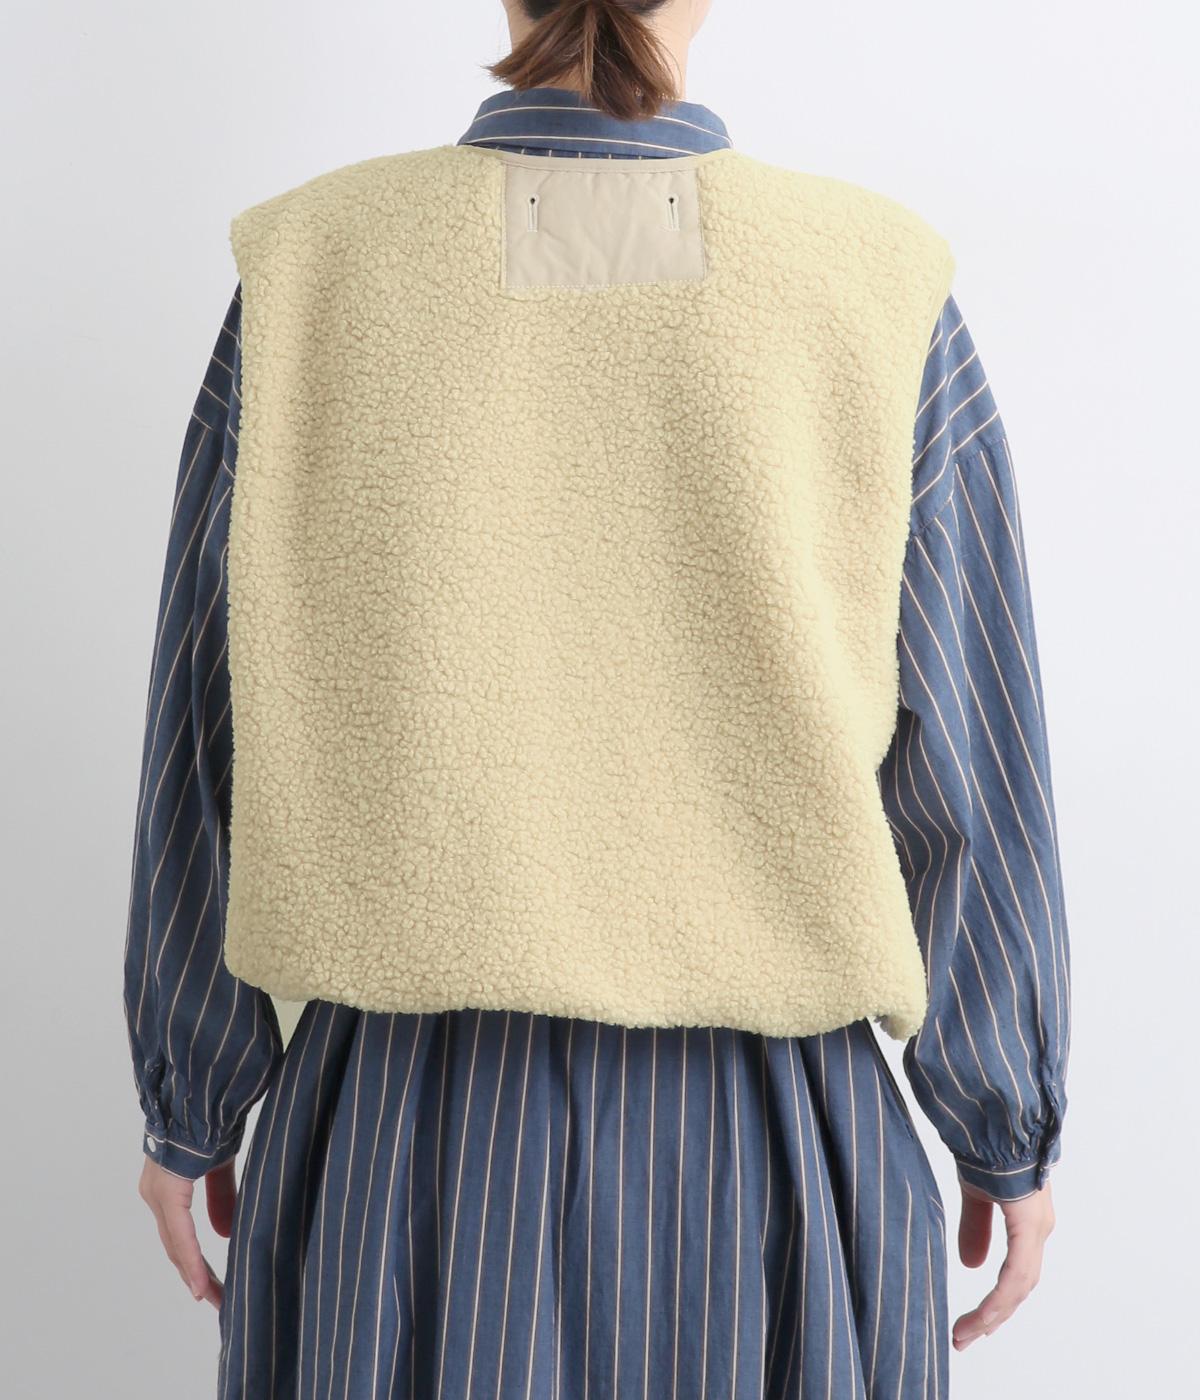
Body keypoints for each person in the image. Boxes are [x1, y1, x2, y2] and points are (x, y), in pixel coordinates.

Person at [122, 2, 1070, 1396]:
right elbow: (968, 757)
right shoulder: (874, 280)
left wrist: (191, 1097)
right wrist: (1004, 1123)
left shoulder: (313, 263)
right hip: (778, 1152)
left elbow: (207, 727)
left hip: (397, 1140)